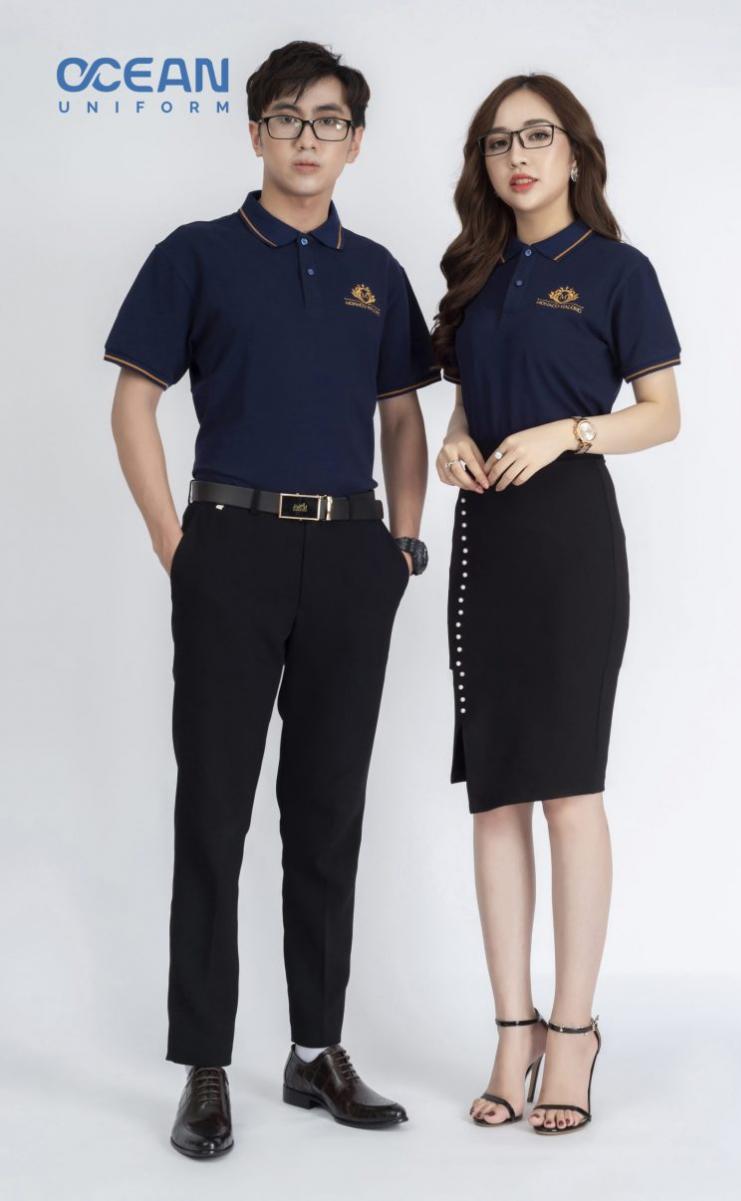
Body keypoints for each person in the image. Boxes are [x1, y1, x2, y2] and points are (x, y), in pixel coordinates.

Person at [102, 39, 438, 1158]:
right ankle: (205, 1063)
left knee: (327, 811)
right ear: (254, 132)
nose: (307, 137)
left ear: (355, 142)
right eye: (287, 117)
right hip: (230, 546)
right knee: (214, 808)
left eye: (329, 120)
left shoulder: (376, 271)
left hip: (350, 555)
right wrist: (175, 543)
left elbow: (402, 415)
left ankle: (315, 1050)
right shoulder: (196, 254)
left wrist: (401, 544)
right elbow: (135, 401)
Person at [432, 72, 681, 1135]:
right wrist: (453, 441)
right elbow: (466, 400)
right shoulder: (474, 272)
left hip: (573, 540)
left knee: (567, 791)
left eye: (536, 137)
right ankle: (512, 1028)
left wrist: (569, 432)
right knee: (495, 796)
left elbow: (661, 413)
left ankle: (573, 1030)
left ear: (573, 152)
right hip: (484, 539)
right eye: (498, 142)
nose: (518, 157)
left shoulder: (618, 270)